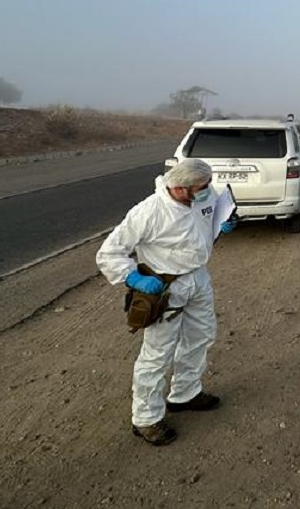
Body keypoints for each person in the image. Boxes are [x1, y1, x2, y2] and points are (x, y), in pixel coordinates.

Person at [95, 158, 235, 446]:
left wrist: (223, 225)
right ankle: (146, 418)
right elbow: (108, 253)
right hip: (165, 287)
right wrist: (133, 278)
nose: (209, 190)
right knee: (158, 353)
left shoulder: (198, 200)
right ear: (182, 189)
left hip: (198, 279)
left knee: (200, 338)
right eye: (203, 186)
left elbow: (203, 230)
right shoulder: (148, 212)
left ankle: (185, 393)